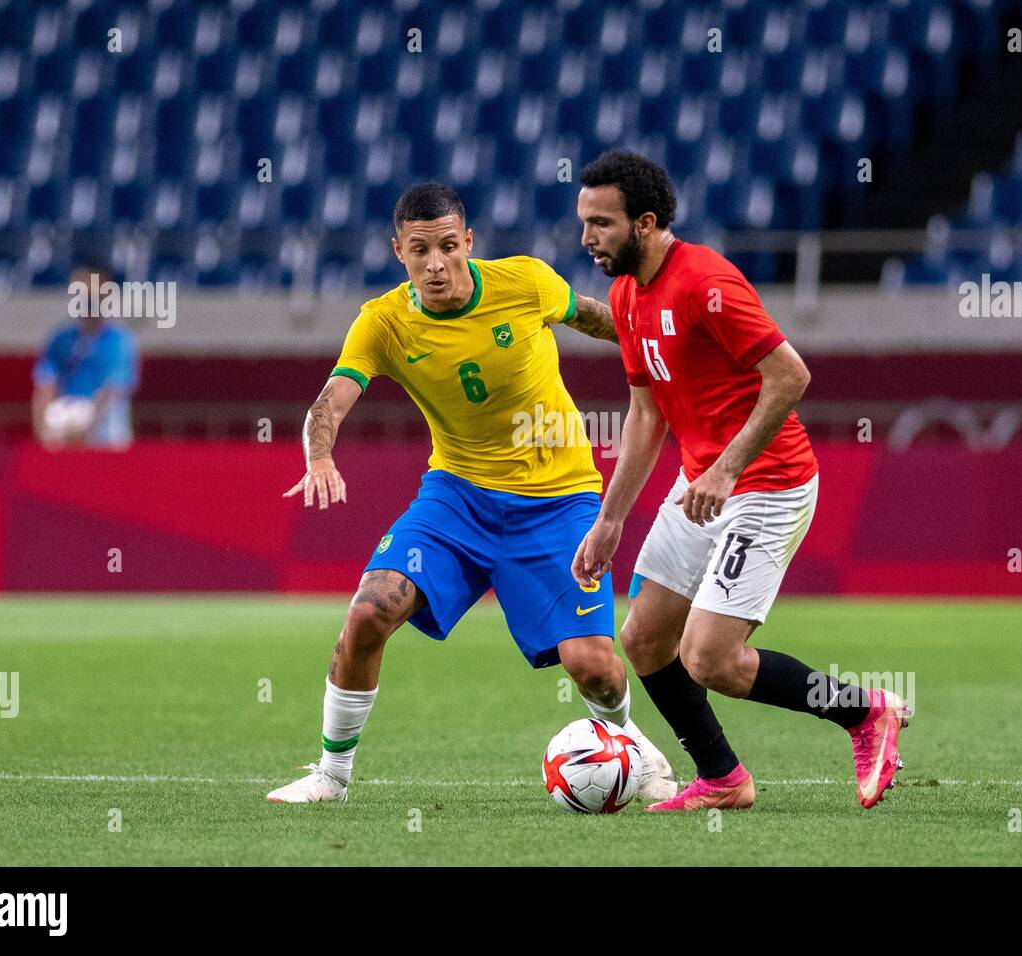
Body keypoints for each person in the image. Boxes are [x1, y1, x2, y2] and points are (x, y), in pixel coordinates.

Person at [266, 183, 675, 804]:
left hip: (560, 500)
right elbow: (331, 400)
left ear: (469, 243)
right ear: (397, 250)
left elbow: (595, 317)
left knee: (591, 664)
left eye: (449, 247)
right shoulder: (383, 323)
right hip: (456, 498)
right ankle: (330, 776)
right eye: (420, 250)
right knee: (369, 611)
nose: (436, 264)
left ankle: (634, 749)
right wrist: (319, 453)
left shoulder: (526, 283)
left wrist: (665, 348)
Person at [570, 151, 910, 811]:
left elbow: (791, 375)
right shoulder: (625, 294)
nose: (587, 237)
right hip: (701, 485)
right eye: (584, 221)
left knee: (712, 660)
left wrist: (727, 466)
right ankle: (723, 778)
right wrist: (610, 519)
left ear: (645, 223)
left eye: (601, 223)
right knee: (641, 638)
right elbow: (645, 415)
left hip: (768, 483)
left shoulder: (704, 281)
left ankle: (865, 712)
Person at [31, 261, 139, 450]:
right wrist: (44, 432)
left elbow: (113, 390)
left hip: (104, 430)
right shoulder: (60, 339)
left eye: (91, 295)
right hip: (64, 427)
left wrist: (86, 428)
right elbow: (45, 386)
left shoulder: (118, 341)